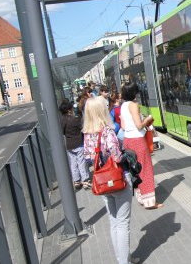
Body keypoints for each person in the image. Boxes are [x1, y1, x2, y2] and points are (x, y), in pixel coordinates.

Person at [82, 96, 136, 264]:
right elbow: (117, 157)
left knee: (113, 223)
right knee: (123, 224)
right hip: (118, 179)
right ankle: (124, 262)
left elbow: (89, 157)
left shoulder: (88, 134)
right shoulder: (107, 131)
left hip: (103, 182)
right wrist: (126, 153)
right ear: (101, 111)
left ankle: (123, 258)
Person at [120, 82, 163, 210]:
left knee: (135, 170)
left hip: (127, 140)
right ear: (134, 93)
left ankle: (141, 198)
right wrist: (148, 120)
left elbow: (123, 126)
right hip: (138, 141)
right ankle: (150, 202)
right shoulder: (134, 105)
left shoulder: (123, 106)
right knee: (145, 170)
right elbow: (139, 125)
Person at [60, 100, 90, 189]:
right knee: (81, 162)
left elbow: (62, 132)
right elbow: (82, 128)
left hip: (69, 145)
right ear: (69, 110)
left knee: (73, 163)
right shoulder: (75, 119)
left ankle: (76, 181)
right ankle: (85, 180)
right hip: (78, 143)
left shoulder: (62, 120)